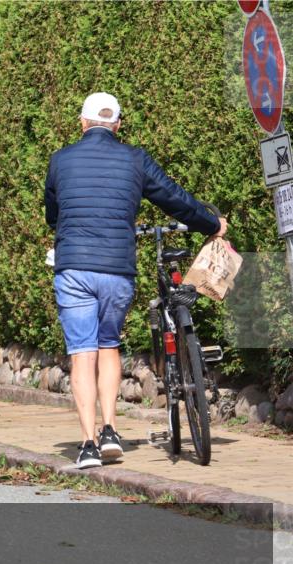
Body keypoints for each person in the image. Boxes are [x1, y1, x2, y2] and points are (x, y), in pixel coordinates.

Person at [44, 92, 227, 469]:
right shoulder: (135, 159)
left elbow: (53, 214)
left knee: (83, 352)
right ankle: (111, 430)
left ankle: (88, 445)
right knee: (109, 345)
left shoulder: (60, 161)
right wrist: (212, 224)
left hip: (75, 268)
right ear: (118, 125)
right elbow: (174, 198)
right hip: (116, 270)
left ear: (82, 123)